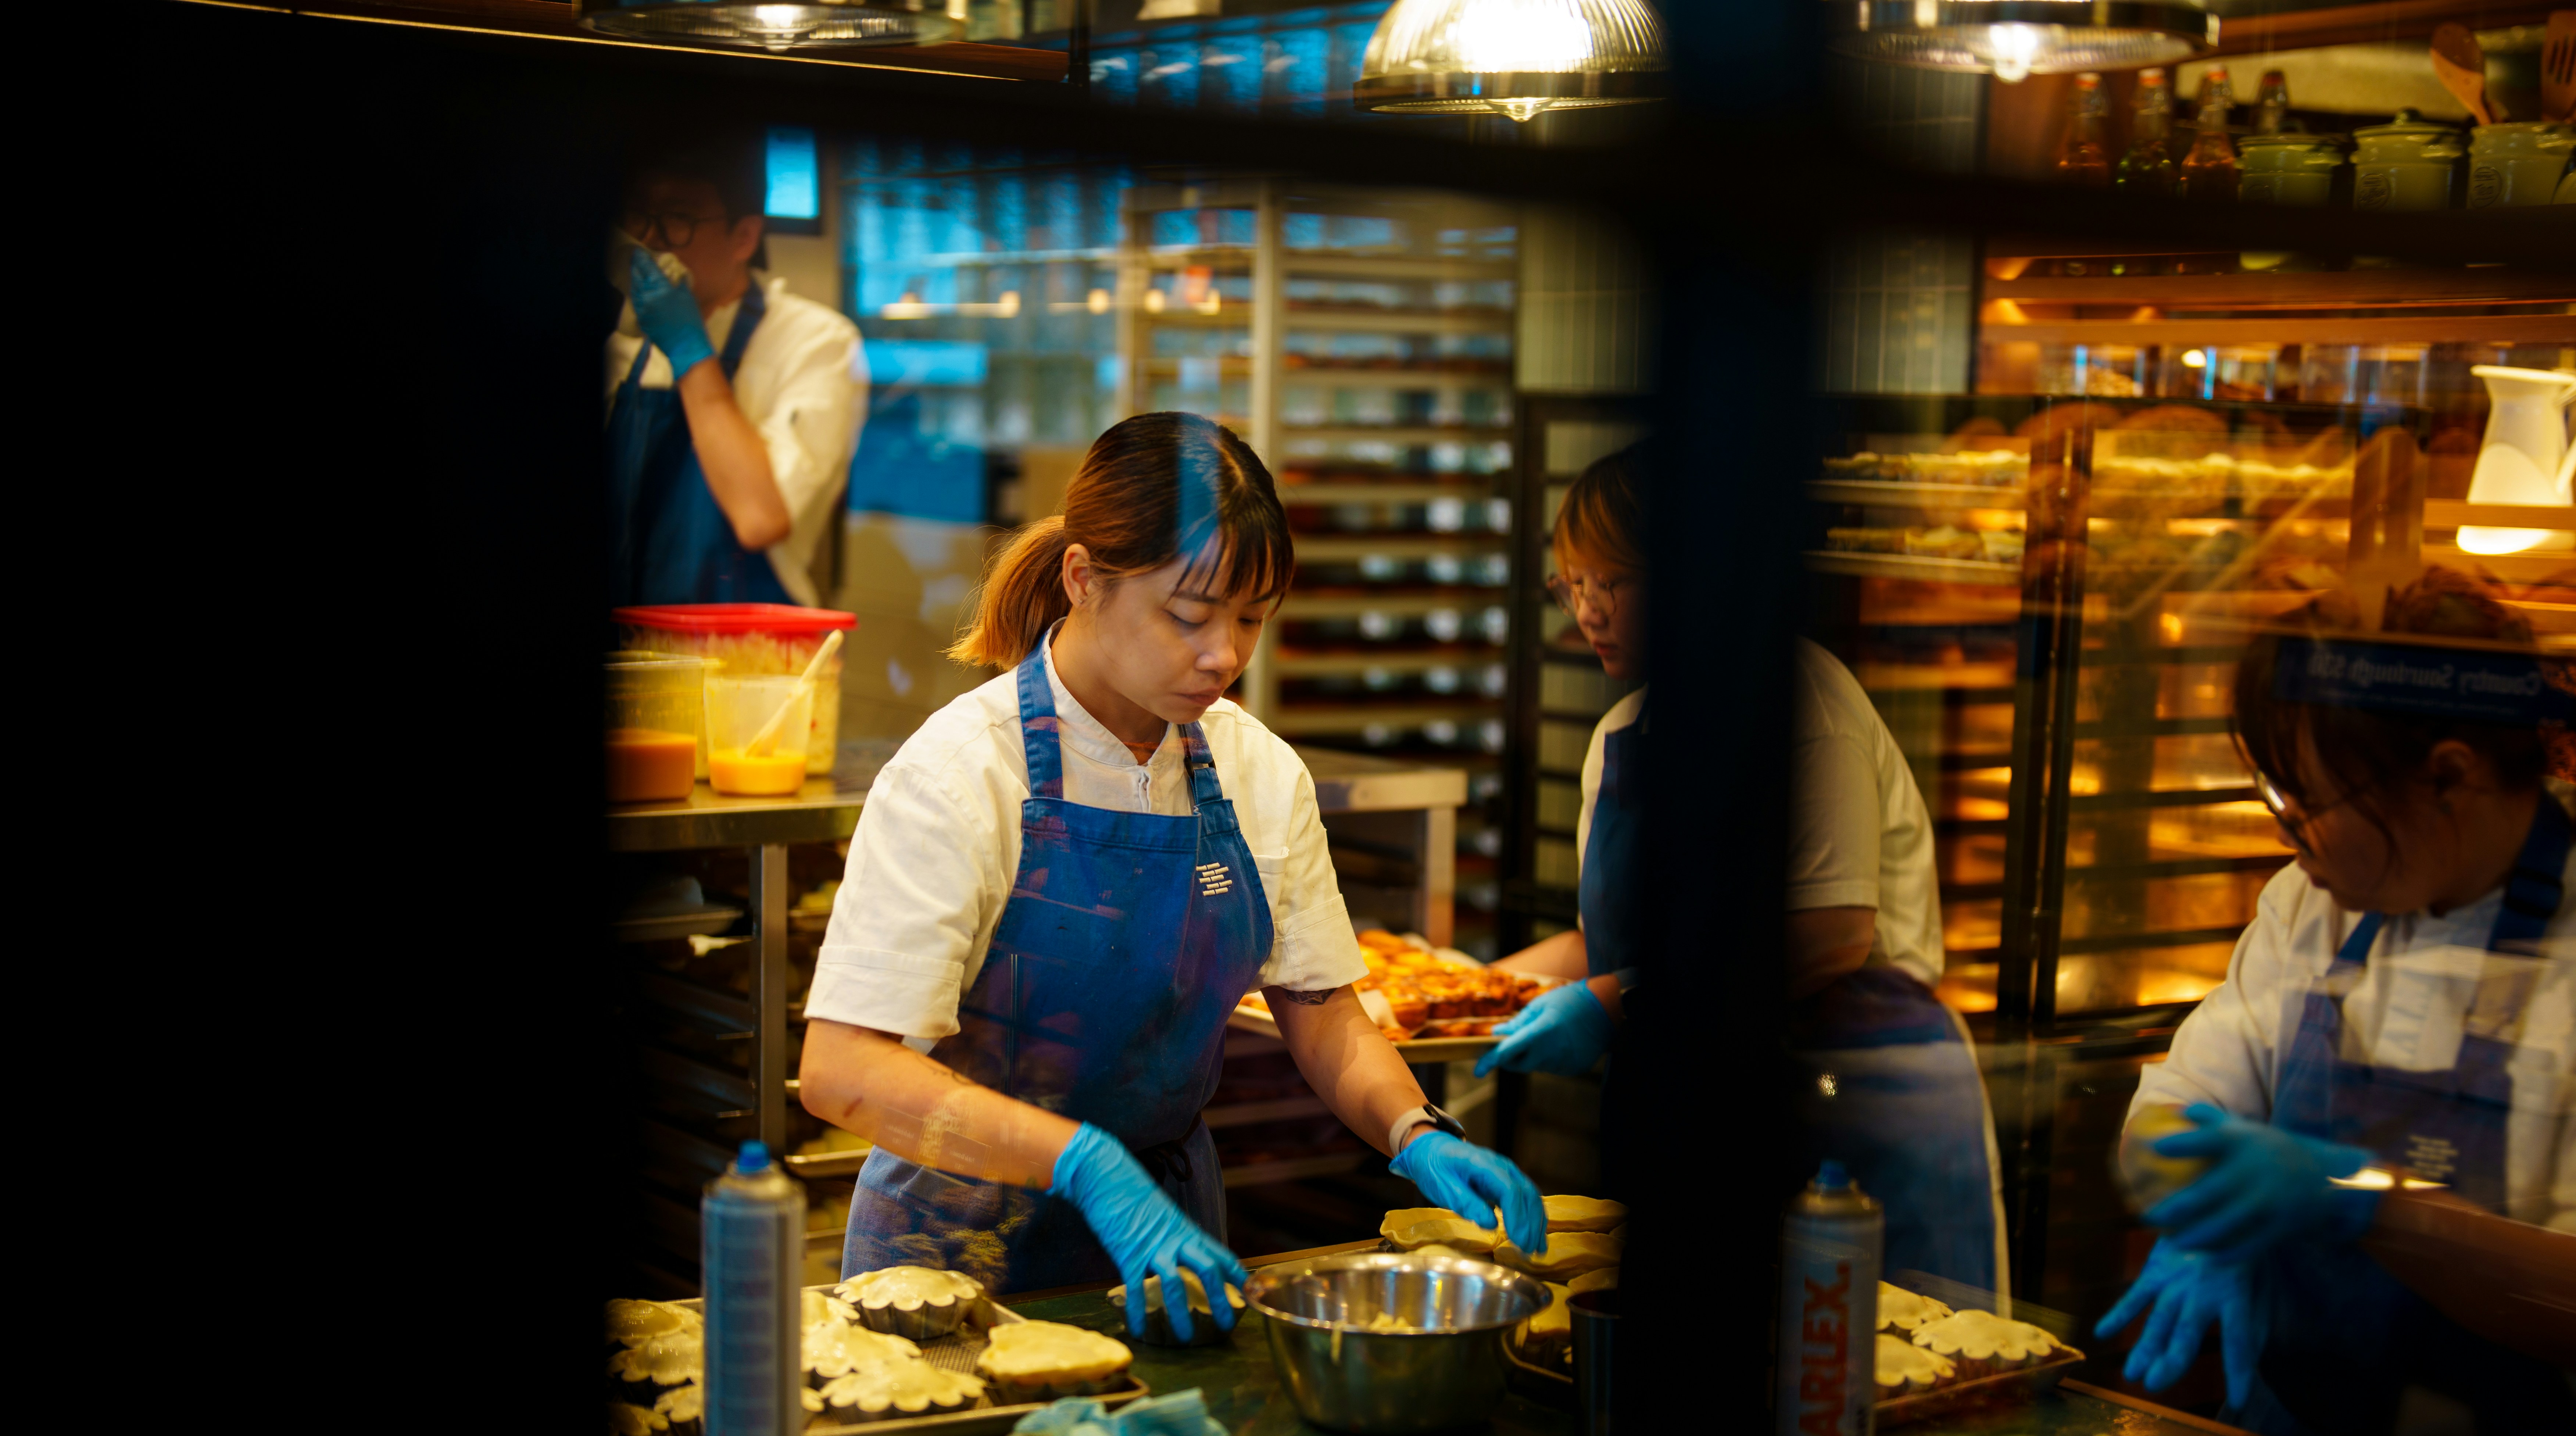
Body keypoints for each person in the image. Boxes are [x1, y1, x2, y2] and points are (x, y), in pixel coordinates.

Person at [798, 413, 1545, 1337]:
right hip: (953, 1268)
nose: (1224, 655)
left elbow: (1322, 1006)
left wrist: (1414, 1130)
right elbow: (841, 1071)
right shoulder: (963, 773)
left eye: (1252, 619)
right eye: (1190, 616)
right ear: (1084, 579)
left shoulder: (1256, 770)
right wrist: (1081, 1160)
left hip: (1172, 1254)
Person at [2099, 570, 2575, 1436]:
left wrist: (2358, 1200)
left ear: (2448, 774)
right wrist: (2206, 1208)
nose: (2292, 835)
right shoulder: (2307, 907)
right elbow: (2168, 1113)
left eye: (2306, 797)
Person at [1477, 446, 2005, 1289]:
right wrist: (1460, 999)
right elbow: (1602, 943)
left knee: (1886, 1366)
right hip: (1698, 1094)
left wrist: (1619, 1002)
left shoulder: (1804, 701)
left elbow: (1830, 938)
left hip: (1851, 1099)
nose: (1588, 610)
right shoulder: (1622, 735)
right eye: (1570, 584)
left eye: (1611, 581)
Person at [607, 132, 862, 607]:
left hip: (746, 652)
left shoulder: (816, 341)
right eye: (641, 216)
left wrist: (689, 349)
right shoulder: (626, 347)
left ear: (744, 237)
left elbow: (759, 518)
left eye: (678, 218)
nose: (651, 240)